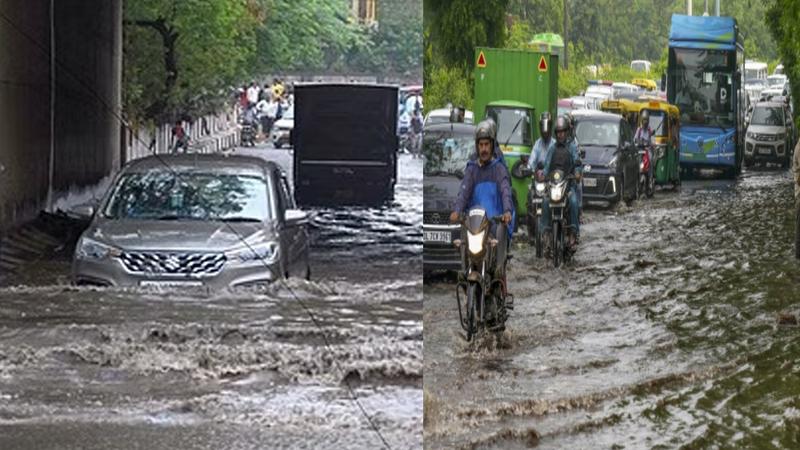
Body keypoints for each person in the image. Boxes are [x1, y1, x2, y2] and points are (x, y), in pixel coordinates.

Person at [450, 120, 514, 279]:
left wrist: (506, 211)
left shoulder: (499, 168)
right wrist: (457, 211)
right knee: (462, 237)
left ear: (492, 145)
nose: (484, 149)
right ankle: (465, 273)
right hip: (475, 224)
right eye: (481, 145)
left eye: (486, 144)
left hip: (493, 223)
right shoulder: (472, 169)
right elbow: (463, 192)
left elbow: (506, 190)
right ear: (477, 146)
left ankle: (498, 277)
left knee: (500, 236)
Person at [540, 116, 581, 248]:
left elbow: (577, 162)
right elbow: (546, 166)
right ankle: (545, 233)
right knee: (545, 201)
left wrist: (577, 173)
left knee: (574, 201)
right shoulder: (552, 148)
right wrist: (543, 175)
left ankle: (573, 233)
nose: (561, 135)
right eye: (558, 132)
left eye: (563, 132)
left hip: (568, 186)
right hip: (554, 186)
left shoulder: (572, 147)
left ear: (567, 132)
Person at [635, 109, 655, 183]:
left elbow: (653, 140)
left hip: (647, 150)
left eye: (646, 120)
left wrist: (652, 143)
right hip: (640, 150)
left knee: (650, 159)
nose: (645, 122)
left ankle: (650, 178)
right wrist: (636, 142)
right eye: (644, 120)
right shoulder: (639, 129)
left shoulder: (650, 130)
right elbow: (635, 139)